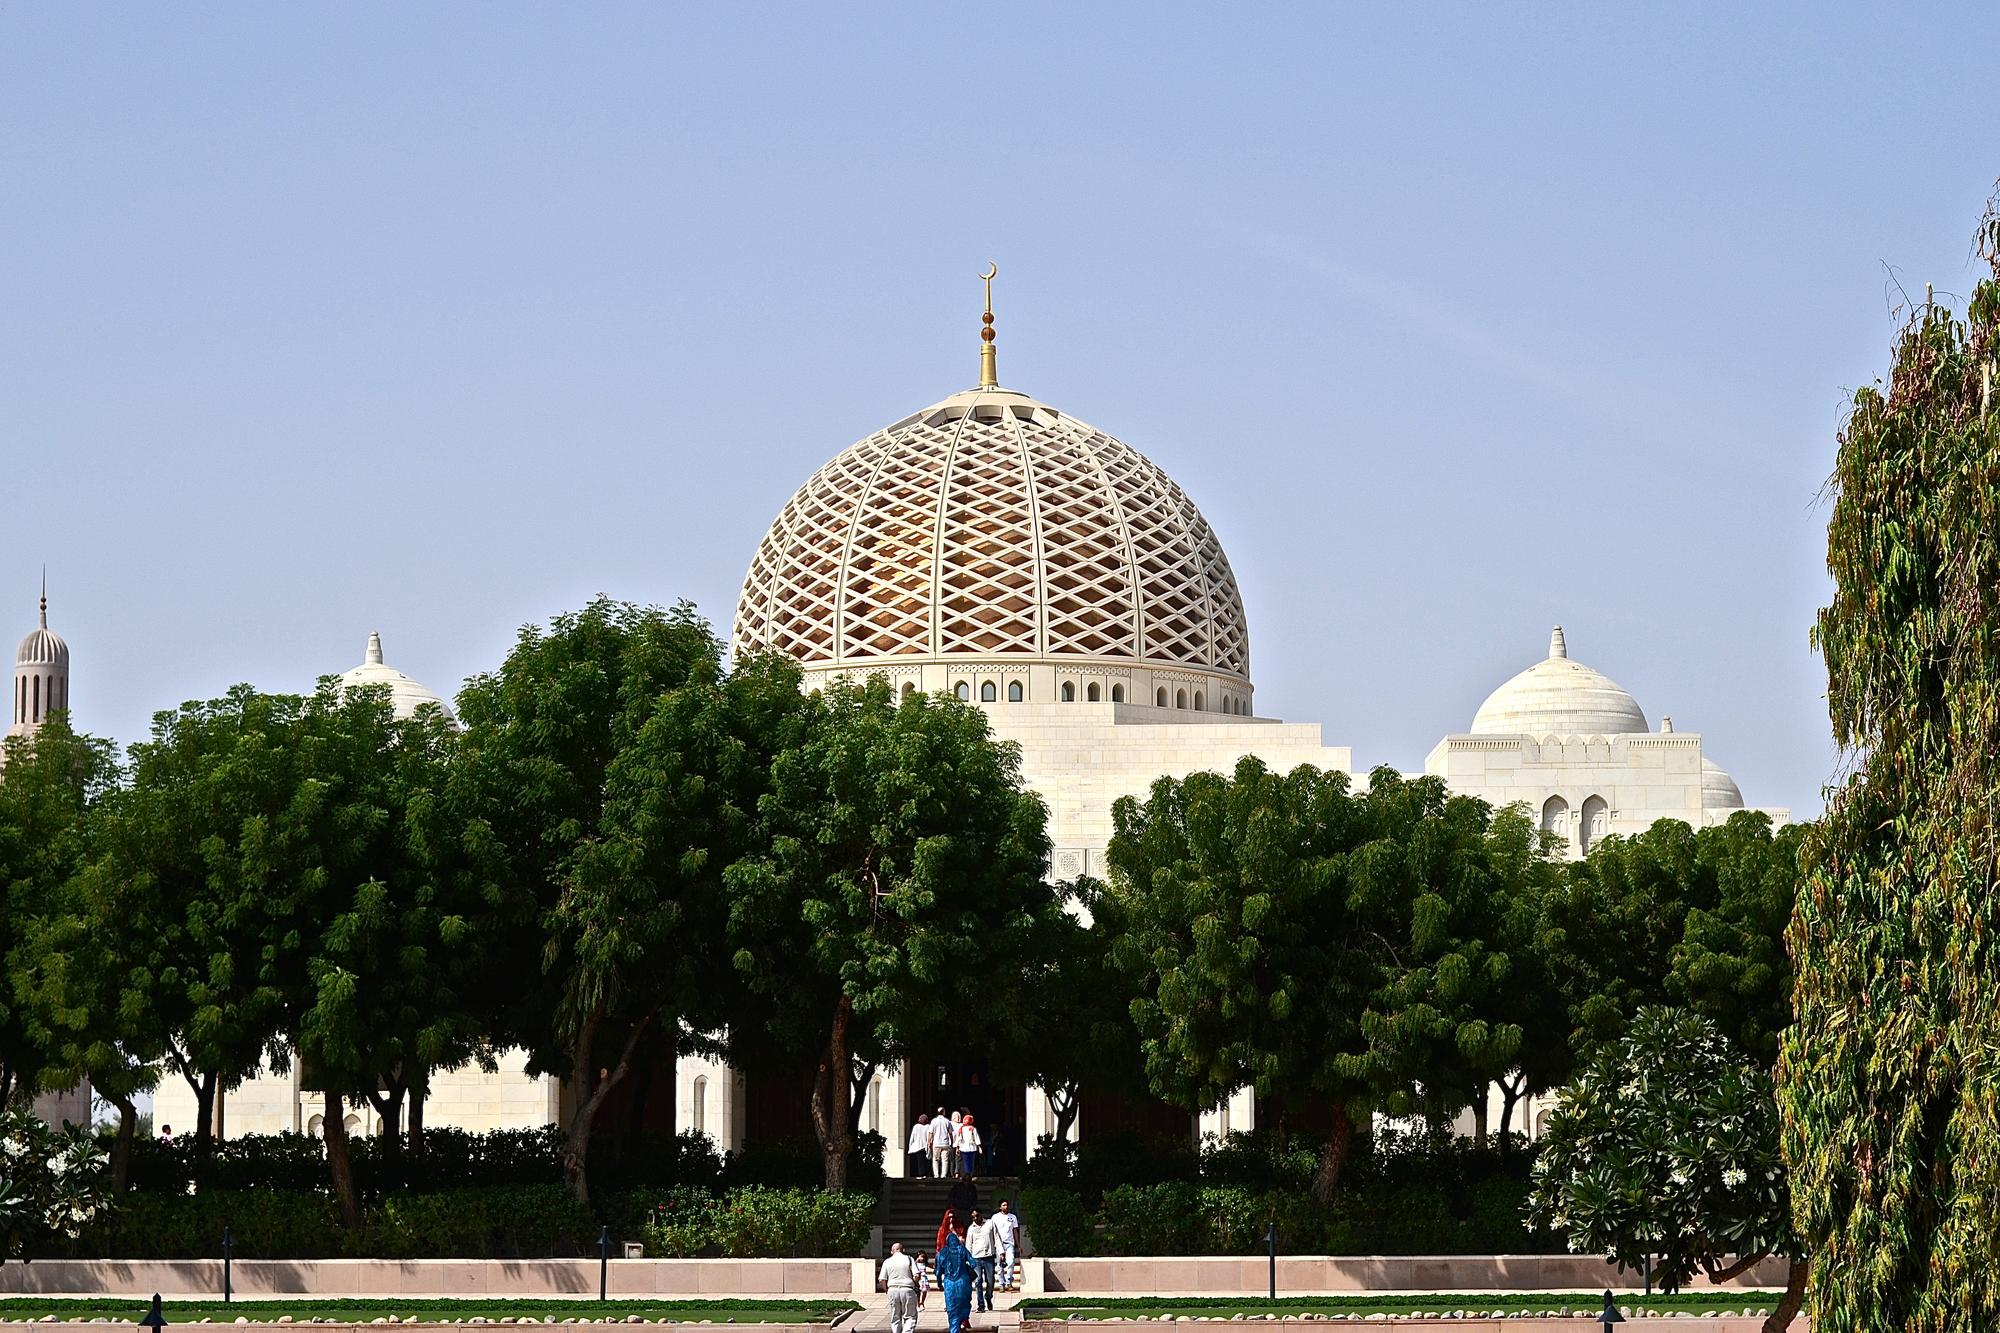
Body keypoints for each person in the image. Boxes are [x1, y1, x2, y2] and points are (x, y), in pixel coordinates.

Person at [933, 1227, 975, 1333]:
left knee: (951, 1307)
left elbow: (938, 1272)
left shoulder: (942, 1253)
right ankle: (963, 1319)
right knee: (965, 1303)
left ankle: (954, 1328)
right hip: (963, 1281)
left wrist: (939, 1284)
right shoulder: (962, 1249)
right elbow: (974, 1263)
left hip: (949, 1283)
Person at [879, 1241, 918, 1333]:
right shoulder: (909, 1259)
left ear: (891, 1251)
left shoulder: (887, 1261)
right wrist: (914, 1283)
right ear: (903, 1250)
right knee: (910, 1315)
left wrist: (886, 1289)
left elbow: (881, 1279)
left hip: (892, 1289)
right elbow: (916, 1275)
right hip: (907, 1288)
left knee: (895, 1316)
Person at [966, 1208, 997, 1313]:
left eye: (977, 1216)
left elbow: (997, 1238)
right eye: (973, 1217)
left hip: (989, 1257)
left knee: (991, 1281)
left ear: (981, 1215)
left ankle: (988, 1297)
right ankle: (981, 1305)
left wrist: (1001, 1253)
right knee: (978, 1281)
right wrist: (968, 1259)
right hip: (976, 1258)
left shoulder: (989, 1223)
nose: (975, 1218)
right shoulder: (971, 1229)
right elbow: (968, 1245)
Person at [990, 1199, 1020, 1291]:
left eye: (1007, 1205)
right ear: (1000, 1207)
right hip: (999, 1244)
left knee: (1010, 1262)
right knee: (1000, 1265)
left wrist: (1018, 1245)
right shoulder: (995, 1217)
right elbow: (991, 1231)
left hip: (1009, 1243)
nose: (1005, 1207)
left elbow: (1015, 1231)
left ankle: (1009, 1282)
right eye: (1003, 1205)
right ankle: (1001, 1284)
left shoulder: (1013, 1217)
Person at [928, 1106, 954, 1179]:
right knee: (945, 1160)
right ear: (943, 1112)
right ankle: (943, 1175)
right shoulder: (947, 1121)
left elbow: (930, 1133)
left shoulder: (933, 1121)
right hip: (945, 1143)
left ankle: (936, 1175)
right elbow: (950, 1133)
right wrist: (951, 1142)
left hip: (936, 1143)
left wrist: (929, 1142)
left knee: (935, 1160)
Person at [956, 1112, 982, 1179]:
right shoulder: (973, 1129)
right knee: (971, 1163)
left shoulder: (961, 1129)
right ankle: (970, 1174)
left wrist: (957, 1148)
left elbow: (959, 1139)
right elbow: (976, 1138)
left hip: (963, 1148)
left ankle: (967, 1175)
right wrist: (979, 1147)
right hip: (972, 1148)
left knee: (965, 1162)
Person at [907, 1113, 932, 1178]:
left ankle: (918, 1174)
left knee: (918, 1162)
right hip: (925, 1147)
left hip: (917, 1147)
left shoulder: (916, 1126)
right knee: (925, 1161)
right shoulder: (928, 1127)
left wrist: (910, 1147)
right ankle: (924, 1174)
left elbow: (912, 1137)